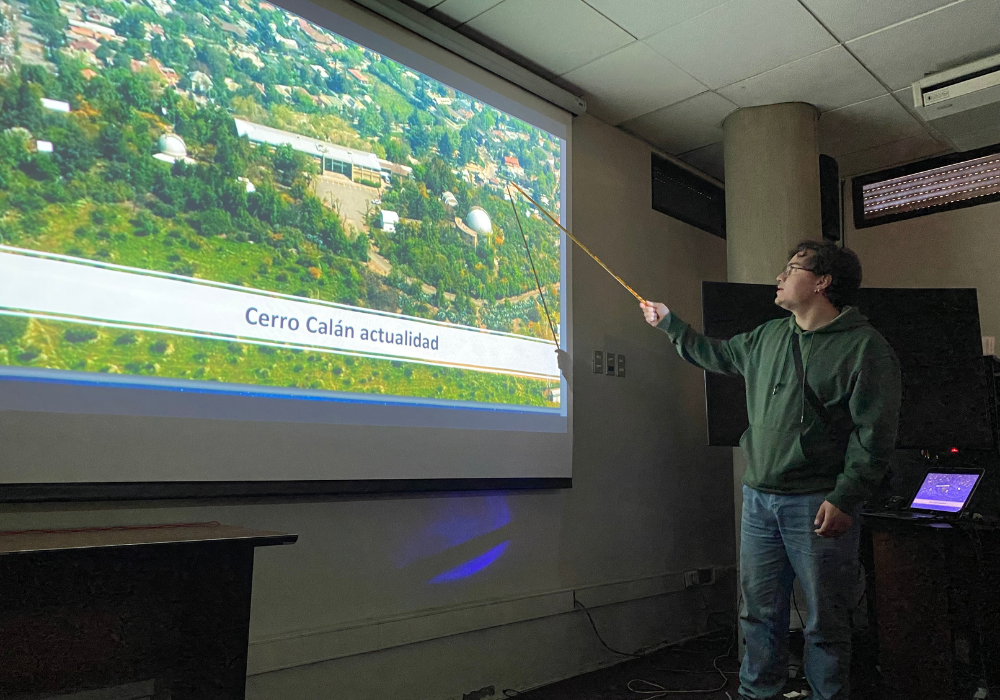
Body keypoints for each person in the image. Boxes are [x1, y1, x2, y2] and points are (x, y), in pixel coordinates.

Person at [640, 241, 901, 700]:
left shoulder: (866, 348)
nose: (779, 277)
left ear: (822, 282)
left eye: (792, 269)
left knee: (826, 620)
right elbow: (715, 354)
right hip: (759, 500)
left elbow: (874, 435)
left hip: (818, 503)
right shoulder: (768, 337)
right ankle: (757, 693)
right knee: (758, 613)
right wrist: (669, 323)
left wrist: (845, 497)